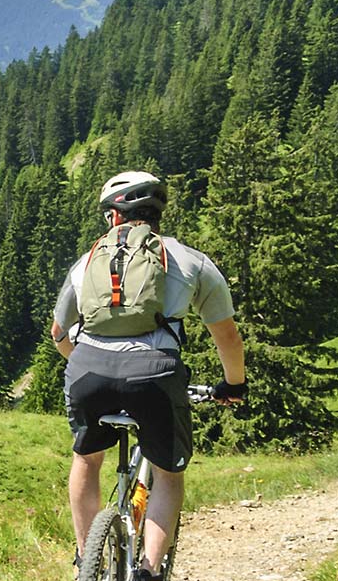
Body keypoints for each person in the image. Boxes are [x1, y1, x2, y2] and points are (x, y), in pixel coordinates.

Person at [50, 171, 248, 580]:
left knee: (86, 460)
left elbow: (58, 333)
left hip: (88, 369)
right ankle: (149, 572)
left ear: (113, 217)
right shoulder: (191, 261)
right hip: (155, 374)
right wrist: (233, 383)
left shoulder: (87, 262)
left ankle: (88, 560)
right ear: (156, 214)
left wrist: (81, 363)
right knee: (168, 475)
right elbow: (226, 335)